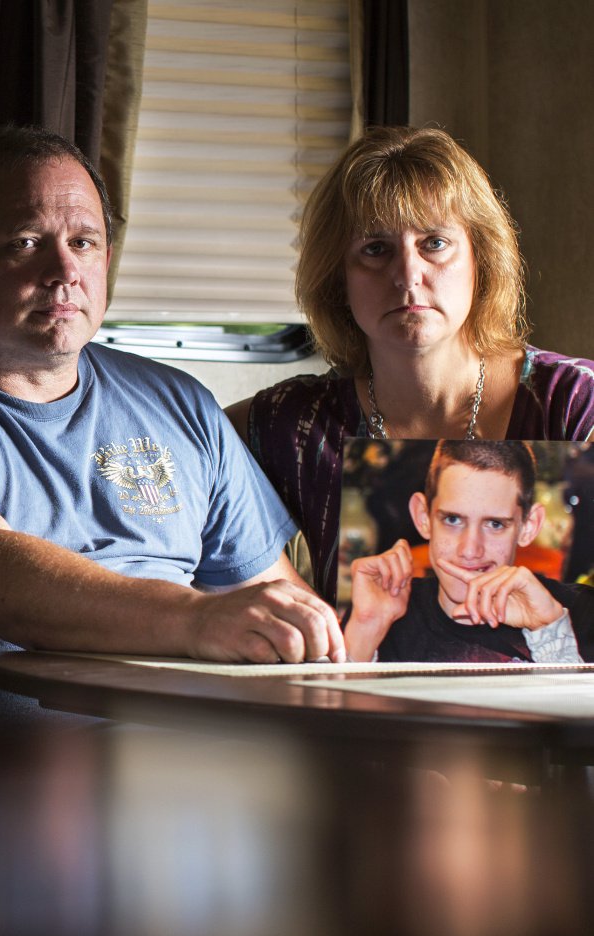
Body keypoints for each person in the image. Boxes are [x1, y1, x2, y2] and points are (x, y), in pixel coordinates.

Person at [0, 126, 345, 714]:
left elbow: (271, 597)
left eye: (85, 242)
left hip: (192, 766)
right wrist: (196, 618)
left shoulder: (180, 402)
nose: (64, 270)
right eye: (26, 241)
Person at [226, 126, 594, 606]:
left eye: (434, 243)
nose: (407, 275)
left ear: (481, 257)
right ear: (339, 279)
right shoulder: (297, 425)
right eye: (375, 249)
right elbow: (183, 447)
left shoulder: (574, 403)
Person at [343, 440, 593, 663]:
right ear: (423, 517)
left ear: (528, 526)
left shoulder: (583, 611)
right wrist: (366, 630)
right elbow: (326, 712)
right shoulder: (381, 610)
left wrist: (551, 632)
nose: (470, 550)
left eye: (495, 524)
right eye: (452, 519)